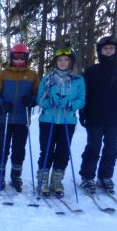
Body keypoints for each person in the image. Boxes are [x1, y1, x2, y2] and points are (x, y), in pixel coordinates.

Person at [79, 36, 117, 195]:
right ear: (100, 51)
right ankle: (87, 177)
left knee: (111, 149)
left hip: (116, 118)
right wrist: (82, 111)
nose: (108, 51)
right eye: (105, 48)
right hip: (95, 116)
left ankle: (105, 176)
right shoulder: (91, 71)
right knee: (93, 148)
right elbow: (85, 94)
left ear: (116, 50)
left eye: (111, 48)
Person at [36, 48, 85, 198]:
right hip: (48, 120)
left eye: (66, 60)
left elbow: (82, 100)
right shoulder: (48, 78)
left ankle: (56, 180)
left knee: (63, 151)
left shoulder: (78, 80)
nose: (63, 63)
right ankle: (43, 180)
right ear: (56, 62)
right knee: (47, 150)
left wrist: (71, 103)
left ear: (71, 62)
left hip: (67, 121)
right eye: (59, 60)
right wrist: (49, 101)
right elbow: (39, 99)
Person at [0, 43, 39, 192]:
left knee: (19, 149)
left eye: (22, 57)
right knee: (3, 147)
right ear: (11, 57)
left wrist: (32, 100)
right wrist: (1, 103)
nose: (18, 60)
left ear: (26, 58)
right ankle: (0, 174)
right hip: (4, 119)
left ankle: (16, 176)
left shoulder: (32, 75)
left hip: (22, 119)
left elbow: (38, 94)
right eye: (16, 57)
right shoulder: (3, 74)